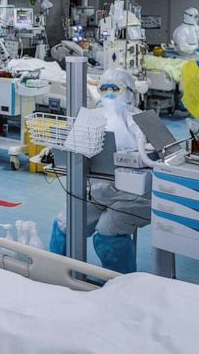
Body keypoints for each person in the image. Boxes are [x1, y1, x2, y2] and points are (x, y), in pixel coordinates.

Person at [48, 68, 151, 273]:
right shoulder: (92, 117)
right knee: (66, 224)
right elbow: (70, 152)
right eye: (105, 88)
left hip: (136, 196)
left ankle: (121, 286)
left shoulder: (145, 120)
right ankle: (54, 273)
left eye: (116, 88)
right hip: (99, 190)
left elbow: (165, 159)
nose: (110, 94)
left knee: (107, 233)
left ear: (129, 91)